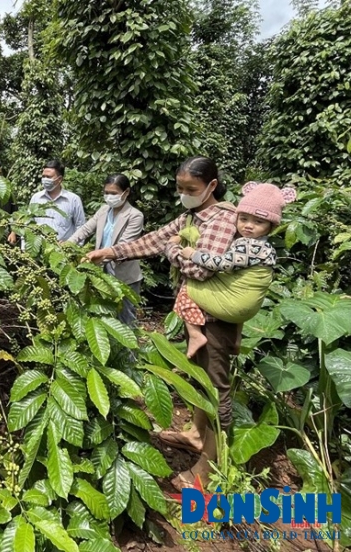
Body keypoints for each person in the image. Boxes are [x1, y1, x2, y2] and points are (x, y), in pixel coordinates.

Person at [86, 156, 236, 489]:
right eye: (180, 188)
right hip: (196, 311)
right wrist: (108, 253)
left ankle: (211, 468)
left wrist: (173, 249)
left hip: (216, 317)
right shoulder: (191, 216)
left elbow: (200, 269)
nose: (183, 193)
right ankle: (196, 435)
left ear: (212, 186)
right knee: (199, 376)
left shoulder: (223, 219)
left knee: (215, 388)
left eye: (190, 188)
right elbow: (153, 239)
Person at [168, 182, 296, 358]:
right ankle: (236, 340)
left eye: (258, 222)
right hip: (247, 308)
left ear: (271, 226)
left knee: (187, 288)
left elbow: (223, 264)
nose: (248, 226)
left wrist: (193, 255)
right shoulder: (266, 247)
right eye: (243, 219)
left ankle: (195, 334)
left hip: (236, 305)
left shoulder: (250, 245)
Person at [66, 174, 144, 326]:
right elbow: (86, 229)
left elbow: (123, 247)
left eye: (113, 193)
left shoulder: (135, 216)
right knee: (106, 316)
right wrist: (68, 244)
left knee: (126, 319)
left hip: (125, 275)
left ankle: (130, 350)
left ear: (126, 192)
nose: (109, 197)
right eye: (106, 193)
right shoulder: (103, 210)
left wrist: (97, 256)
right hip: (102, 272)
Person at [22, 160, 86, 243]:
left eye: (48, 177)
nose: (45, 179)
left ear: (59, 179)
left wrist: (73, 246)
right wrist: (24, 249)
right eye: (43, 176)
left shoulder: (73, 200)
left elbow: (80, 227)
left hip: (64, 252)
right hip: (39, 251)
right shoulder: (36, 198)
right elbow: (28, 224)